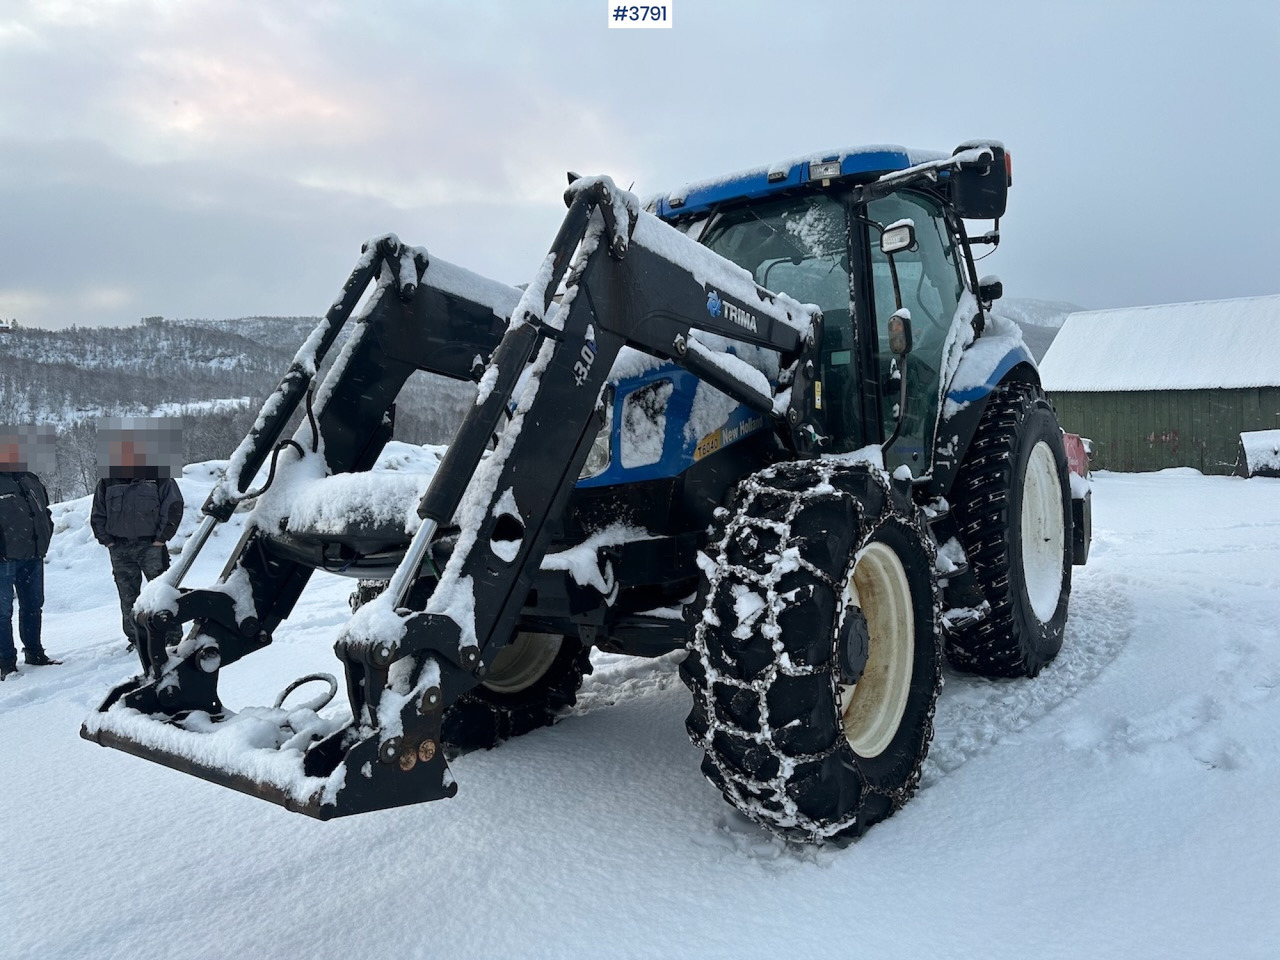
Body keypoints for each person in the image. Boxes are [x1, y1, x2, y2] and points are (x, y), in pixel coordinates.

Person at [90, 436, 184, 667]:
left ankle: (171, 635)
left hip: (151, 546)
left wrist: (162, 539)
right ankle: (136, 638)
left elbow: (173, 508)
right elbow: (98, 514)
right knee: (128, 597)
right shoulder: (108, 481)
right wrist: (108, 541)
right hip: (120, 549)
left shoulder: (159, 476)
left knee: (162, 593)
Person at [0, 433, 58, 680]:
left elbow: (44, 512)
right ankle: (6, 662)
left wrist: (45, 536)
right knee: (2, 613)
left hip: (33, 556)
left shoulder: (31, 479)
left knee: (33, 606)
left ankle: (34, 652)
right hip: (4, 558)